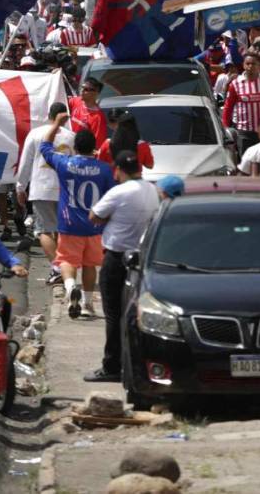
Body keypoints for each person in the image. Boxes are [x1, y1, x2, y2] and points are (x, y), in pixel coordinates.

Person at [84, 150, 159, 383]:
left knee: (113, 315)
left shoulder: (118, 192)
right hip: (141, 260)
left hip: (116, 259)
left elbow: (94, 216)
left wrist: (111, 218)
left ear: (118, 169)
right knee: (136, 314)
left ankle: (112, 366)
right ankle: (135, 363)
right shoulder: (152, 190)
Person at [40, 111, 115, 320]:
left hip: (69, 223)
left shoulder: (64, 163)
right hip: (95, 225)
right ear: (94, 148)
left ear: (75, 147)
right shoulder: (104, 169)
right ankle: (87, 304)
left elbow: (44, 148)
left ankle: (71, 285)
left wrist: (56, 124)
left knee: (66, 260)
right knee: (90, 264)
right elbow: (111, 196)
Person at [17, 102, 73, 285]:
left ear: (49, 114)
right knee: (59, 230)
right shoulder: (72, 136)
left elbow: (25, 162)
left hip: (41, 188)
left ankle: (57, 268)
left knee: (44, 230)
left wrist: (20, 186)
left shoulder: (35, 134)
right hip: (65, 189)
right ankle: (62, 268)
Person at [222, 53, 260, 156]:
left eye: (253, 64)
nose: (250, 66)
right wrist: (225, 128)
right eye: (248, 63)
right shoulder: (236, 84)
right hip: (244, 132)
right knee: (246, 161)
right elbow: (228, 107)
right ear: (243, 65)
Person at [67, 77, 107, 148]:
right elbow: (59, 98)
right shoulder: (76, 101)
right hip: (69, 148)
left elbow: (97, 145)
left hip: (81, 154)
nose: (82, 91)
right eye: (82, 87)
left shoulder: (98, 118)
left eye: (86, 89)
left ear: (96, 93)